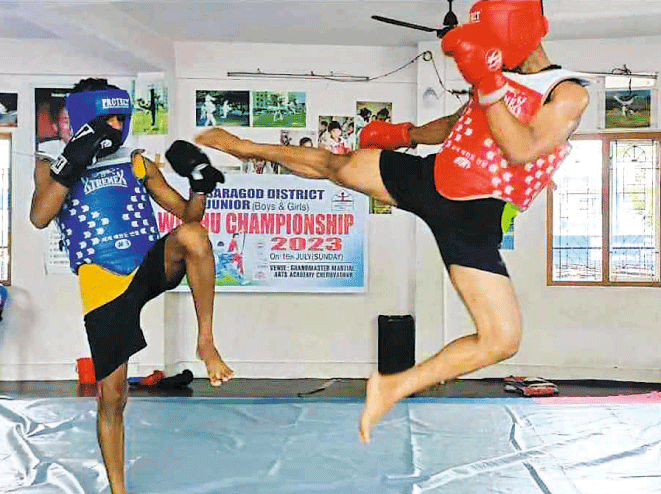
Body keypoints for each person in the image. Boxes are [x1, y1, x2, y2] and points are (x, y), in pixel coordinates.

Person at [195, 0, 589, 443]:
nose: (492, 54)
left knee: (501, 340)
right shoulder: (495, 76)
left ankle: (394, 385)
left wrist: (488, 81)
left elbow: (522, 148)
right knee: (335, 164)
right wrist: (403, 135)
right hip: (434, 176)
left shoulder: (567, 91)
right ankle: (249, 147)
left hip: (476, 216)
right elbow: (460, 122)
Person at [29, 78, 234, 494]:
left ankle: (206, 342)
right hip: (103, 281)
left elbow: (187, 216)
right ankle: (118, 489)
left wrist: (199, 185)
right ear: (87, 118)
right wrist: (74, 160)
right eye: (111, 118)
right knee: (113, 396)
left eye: (123, 117)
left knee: (194, 237)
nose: (119, 125)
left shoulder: (137, 162)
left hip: (146, 266)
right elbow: (39, 216)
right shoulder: (50, 163)